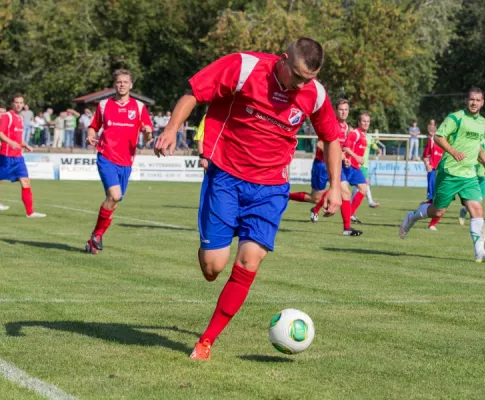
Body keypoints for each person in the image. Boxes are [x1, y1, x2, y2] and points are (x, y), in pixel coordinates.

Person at [154, 37, 343, 360]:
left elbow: (332, 137)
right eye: (296, 76)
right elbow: (193, 93)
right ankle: (211, 251)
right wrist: (172, 127)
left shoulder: (315, 94)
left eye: (308, 79)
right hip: (226, 176)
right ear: (283, 60)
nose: (301, 85)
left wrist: (336, 186)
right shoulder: (244, 67)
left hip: (270, 189)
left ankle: (206, 342)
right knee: (212, 267)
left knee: (249, 261)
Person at [399, 88, 485, 263]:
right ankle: (412, 216)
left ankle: (480, 252)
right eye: (471, 100)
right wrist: (453, 152)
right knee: (438, 212)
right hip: (450, 172)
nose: (474, 103)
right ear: (466, 100)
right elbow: (438, 137)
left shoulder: (483, 123)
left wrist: (483, 160)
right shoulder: (455, 117)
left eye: (478, 100)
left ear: (482, 102)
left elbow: (477, 146)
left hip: (469, 174)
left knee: (477, 209)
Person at [84, 69, 153, 254]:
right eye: (119, 82)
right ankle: (97, 236)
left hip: (126, 161)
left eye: (125, 82)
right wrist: (90, 136)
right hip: (106, 156)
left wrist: (147, 133)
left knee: (114, 201)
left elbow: (148, 136)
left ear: (131, 85)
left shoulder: (139, 107)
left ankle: (94, 238)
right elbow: (93, 127)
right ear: (115, 85)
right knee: (114, 196)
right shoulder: (104, 105)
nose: (122, 84)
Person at [289, 99, 359, 236]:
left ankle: (347, 228)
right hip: (321, 164)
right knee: (315, 198)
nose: (344, 112)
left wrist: (346, 158)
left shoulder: (346, 128)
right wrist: (340, 155)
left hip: (335, 164)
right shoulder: (331, 124)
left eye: (346, 109)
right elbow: (321, 145)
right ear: (335, 111)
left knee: (346, 192)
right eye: (341, 109)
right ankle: (287, 195)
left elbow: (342, 148)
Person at [0, 94, 45, 218]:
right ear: (12, 104)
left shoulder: (19, 118)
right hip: (7, 156)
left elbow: (17, 138)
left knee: (25, 181)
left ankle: (30, 212)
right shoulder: (7, 116)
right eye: (16, 102)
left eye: (21, 102)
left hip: (18, 157)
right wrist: (10, 142)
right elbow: (0, 133)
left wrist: (25, 145)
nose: (19, 105)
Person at [343, 113, 372, 226]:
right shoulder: (355, 133)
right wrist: (355, 157)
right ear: (359, 122)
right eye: (364, 121)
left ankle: (350, 213)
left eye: (368, 121)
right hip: (348, 166)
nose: (366, 123)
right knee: (339, 191)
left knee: (363, 189)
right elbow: (345, 147)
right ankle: (316, 209)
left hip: (355, 167)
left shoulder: (364, 136)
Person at [423, 122, 444, 230]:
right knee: (433, 199)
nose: (431, 135)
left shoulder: (444, 142)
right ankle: (421, 215)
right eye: (429, 133)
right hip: (433, 172)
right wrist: (427, 165)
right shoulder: (430, 142)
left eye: (432, 133)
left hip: (442, 173)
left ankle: (432, 223)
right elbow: (425, 156)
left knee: (443, 200)